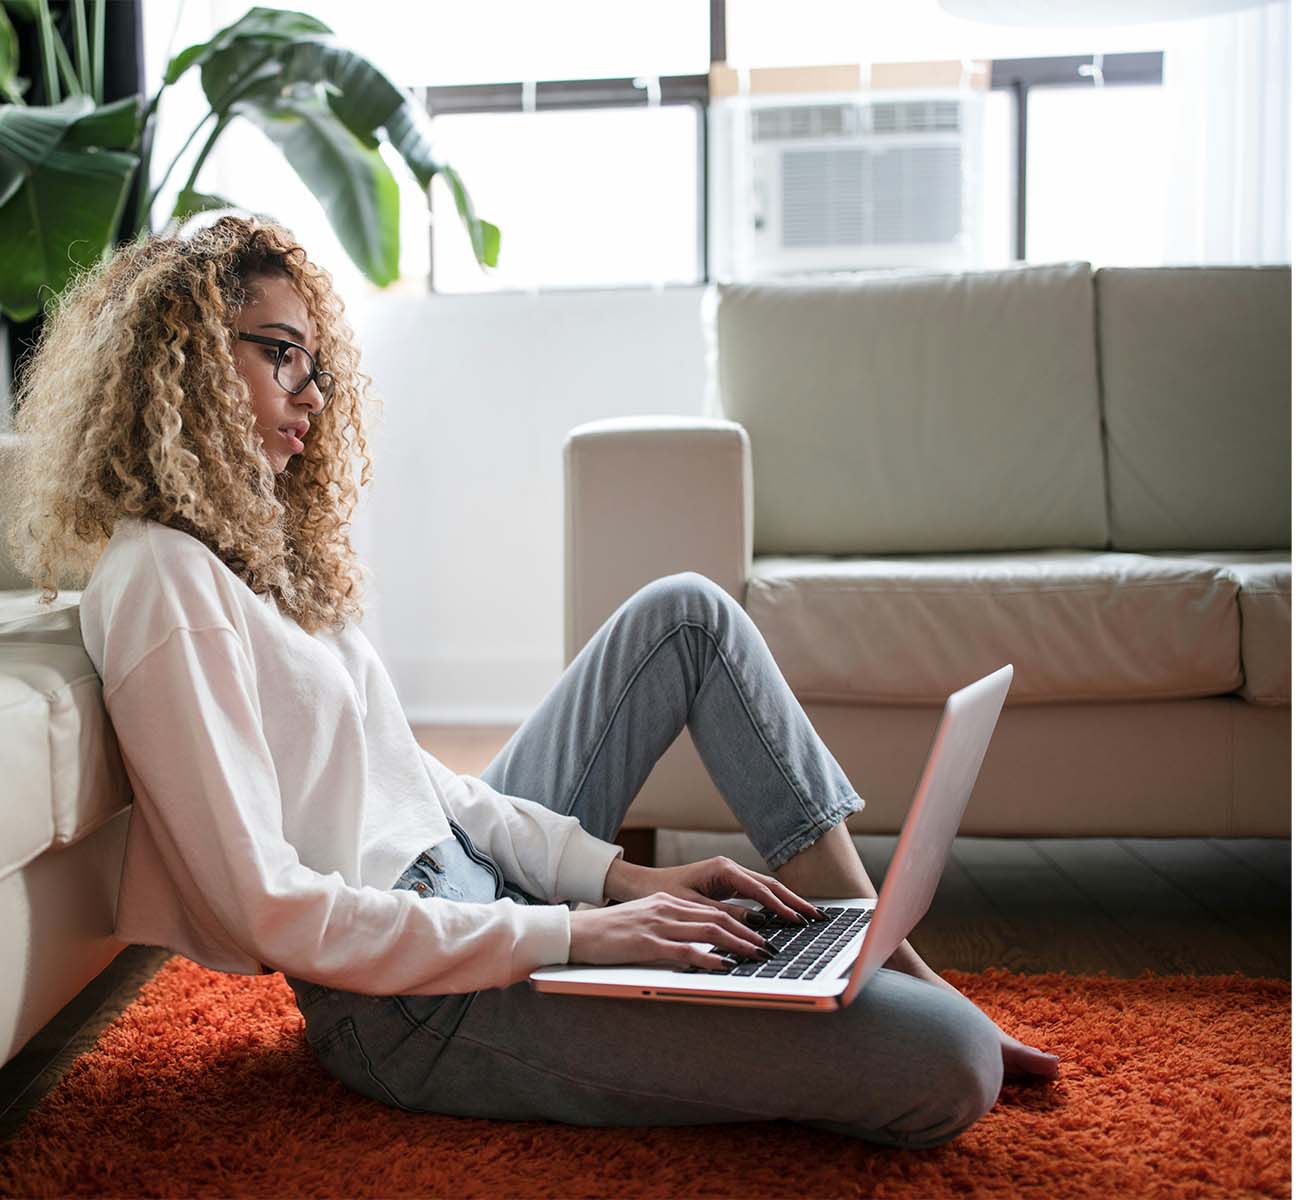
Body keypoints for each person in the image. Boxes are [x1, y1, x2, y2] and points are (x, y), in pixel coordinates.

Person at [2, 215, 1057, 1150]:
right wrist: (572, 933)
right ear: (180, 359)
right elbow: (270, 908)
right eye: (281, 355)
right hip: (407, 1004)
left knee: (684, 613)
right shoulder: (161, 580)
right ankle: (885, 993)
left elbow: (417, 782)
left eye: (316, 365)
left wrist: (614, 882)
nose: (311, 396)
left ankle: (870, 941)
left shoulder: (257, 552)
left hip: (471, 888)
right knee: (949, 1064)